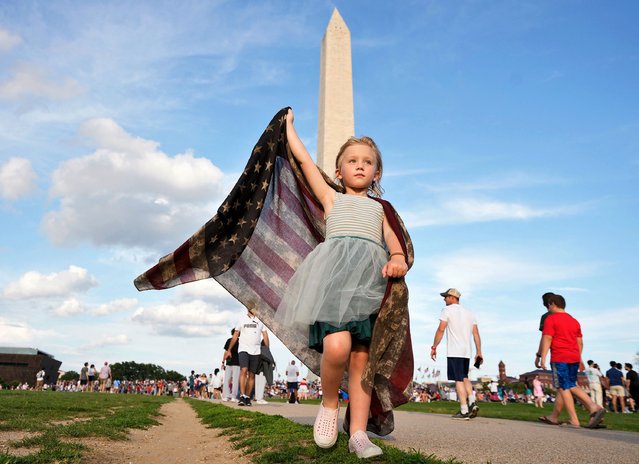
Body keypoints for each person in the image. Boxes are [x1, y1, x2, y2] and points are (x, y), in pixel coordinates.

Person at [275, 109, 409, 459]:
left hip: (369, 288)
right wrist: (288, 127)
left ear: (377, 172)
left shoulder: (381, 210)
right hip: (334, 284)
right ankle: (329, 405)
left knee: (362, 362)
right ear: (339, 170)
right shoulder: (332, 199)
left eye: (368, 162)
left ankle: (359, 433)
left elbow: (395, 245)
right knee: (336, 348)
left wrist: (396, 260)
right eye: (352, 160)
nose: (360, 166)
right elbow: (304, 162)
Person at [539, 294, 606, 428]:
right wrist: (579, 357)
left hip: (560, 356)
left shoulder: (551, 319)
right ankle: (592, 408)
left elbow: (547, 338)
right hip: (573, 357)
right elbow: (580, 342)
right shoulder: (574, 321)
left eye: (548, 305)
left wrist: (543, 357)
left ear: (552, 303)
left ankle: (580, 416)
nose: (547, 308)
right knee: (570, 384)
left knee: (563, 387)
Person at [431, 288, 482, 420]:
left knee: (458, 380)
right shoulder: (469, 313)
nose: (444, 299)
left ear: (452, 297)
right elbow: (476, 334)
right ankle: (472, 402)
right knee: (464, 377)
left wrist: (434, 346)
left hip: (455, 350)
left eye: (446, 297)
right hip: (467, 352)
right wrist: (479, 351)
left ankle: (464, 410)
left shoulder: (447, 310)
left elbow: (441, 329)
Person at [225, 306, 269, 407]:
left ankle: (248, 397)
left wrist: (268, 351)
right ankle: (242, 396)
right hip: (243, 349)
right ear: (248, 308)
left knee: (252, 374)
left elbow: (265, 336)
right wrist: (229, 350)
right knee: (243, 370)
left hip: (256, 351)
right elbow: (236, 335)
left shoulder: (260, 320)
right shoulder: (242, 319)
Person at [221, 328, 241, 402]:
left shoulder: (229, 340)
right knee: (235, 380)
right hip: (237, 363)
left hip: (229, 361)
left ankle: (226, 396)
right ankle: (233, 397)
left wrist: (223, 362)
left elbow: (226, 352)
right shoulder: (241, 341)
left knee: (227, 380)